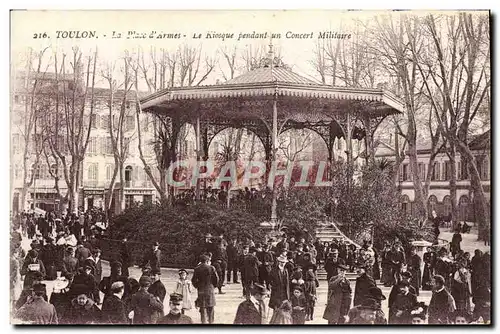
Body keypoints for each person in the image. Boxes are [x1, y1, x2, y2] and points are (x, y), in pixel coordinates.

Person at [192, 254, 218, 324]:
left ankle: (203, 322)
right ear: (207, 261)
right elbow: (216, 279)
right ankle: (211, 322)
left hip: (201, 290)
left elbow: (193, 280)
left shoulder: (197, 268)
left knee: (202, 307)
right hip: (210, 289)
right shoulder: (211, 268)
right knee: (211, 306)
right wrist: (213, 286)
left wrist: (197, 286)